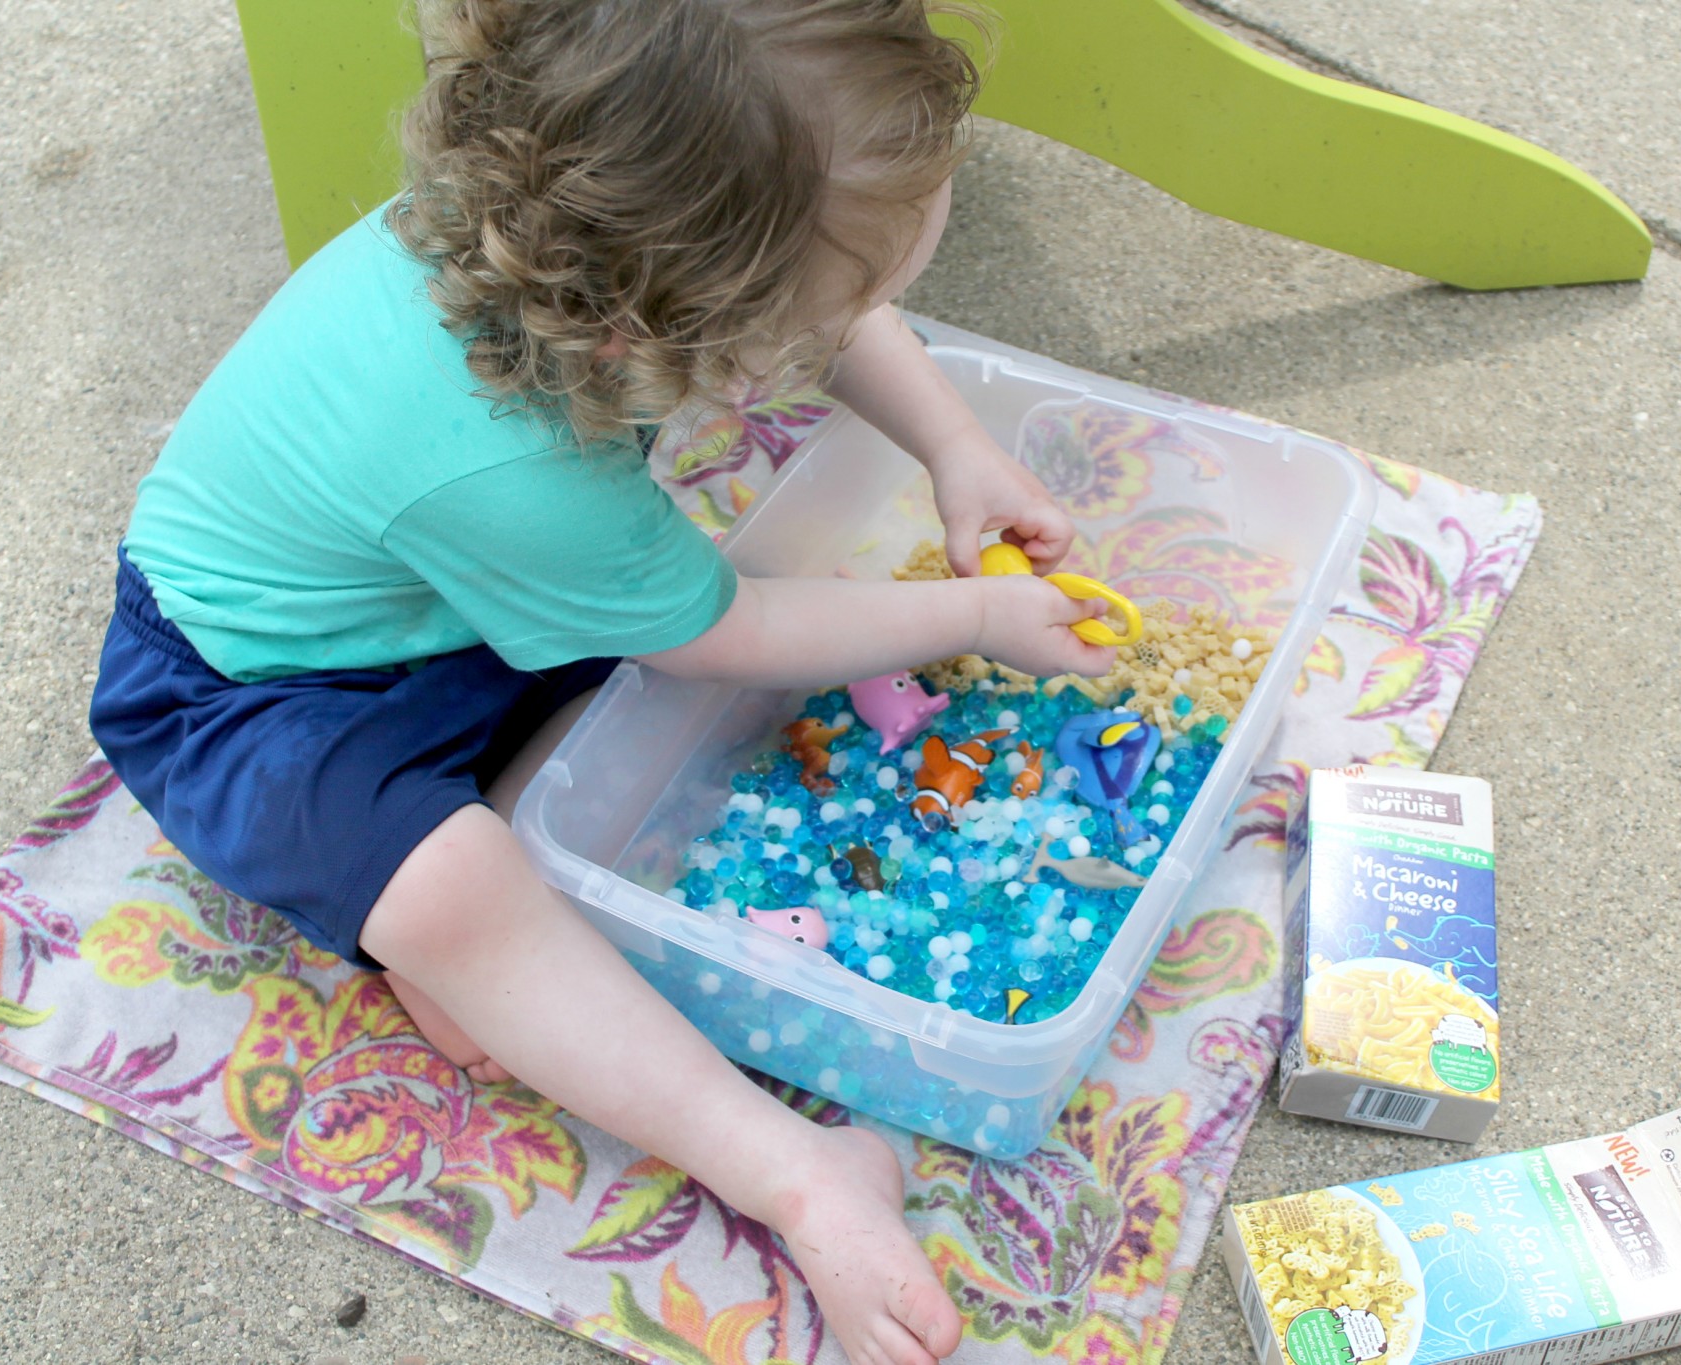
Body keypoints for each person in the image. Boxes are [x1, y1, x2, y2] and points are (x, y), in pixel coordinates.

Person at [89, 3, 1111, 1362]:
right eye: (830, 317)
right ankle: (795, 1175)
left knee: (620, 733)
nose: (865, 320)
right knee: (463, 875)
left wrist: (954, 444)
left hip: (437, 602)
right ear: (673, 322)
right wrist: (971, 610)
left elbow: (831, 306)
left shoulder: (581, 220)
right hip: (245, 693)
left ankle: (472, 954)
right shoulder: (512, 466)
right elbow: (717, 629)